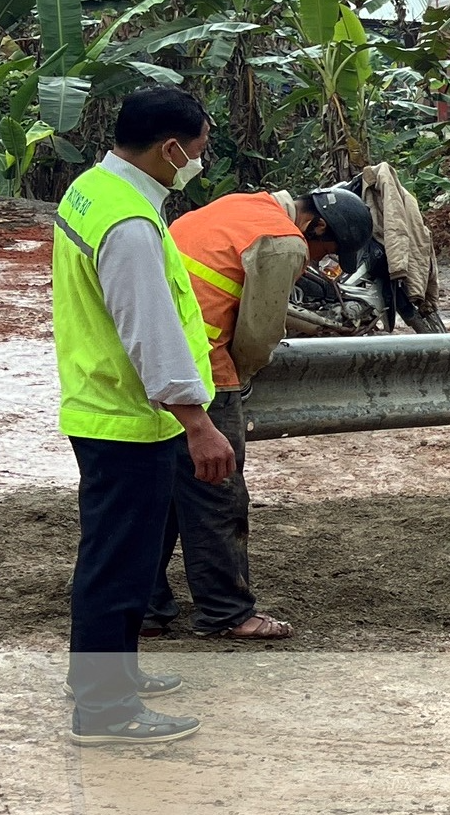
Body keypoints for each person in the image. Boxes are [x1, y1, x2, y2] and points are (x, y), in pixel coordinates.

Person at [52, 85, 234, 746]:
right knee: (118, 567)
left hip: (103, 407)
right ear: (169, 149)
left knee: (118, 558)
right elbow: (149, 331)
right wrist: (199, 422)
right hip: (129, 420)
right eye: (198, 151)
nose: (198, 162)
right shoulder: (128, 223)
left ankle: (110, 676)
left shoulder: (94, 189)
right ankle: (104, 710)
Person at [148, 186, 373, 640]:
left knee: (165, 494)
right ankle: (227, 613)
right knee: (219, 495)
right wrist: (240, 381)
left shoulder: (239, 205)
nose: (311, 262)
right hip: (205, 369)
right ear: (316, 227)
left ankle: (147, 606)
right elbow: (258, 334)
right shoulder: (283, 239)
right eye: (323, 252)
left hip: (158, 363)